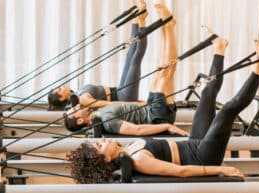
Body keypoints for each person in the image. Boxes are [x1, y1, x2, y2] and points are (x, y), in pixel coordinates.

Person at [67, 11, 259, 184]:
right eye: (100, 146)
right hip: (202, 156)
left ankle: (219, 47)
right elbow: (180, 172)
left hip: (194, 143)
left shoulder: (129, 148)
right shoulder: (137, 159)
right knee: (228, 110)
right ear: (105, 159)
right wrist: (221, 170)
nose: (103, 140)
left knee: (207, 94)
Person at [64, 3, 188, 137]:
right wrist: (167, 126)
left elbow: (126, 108)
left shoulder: (99, 112)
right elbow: (137, 130)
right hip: (157, 116)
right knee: (167, 71)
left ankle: (166, 25)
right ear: (81, 120)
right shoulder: (108, 122)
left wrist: (140, 103)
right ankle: (169, 27)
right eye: (74, 111)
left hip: (149, 107)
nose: (76, 106)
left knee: (160, 69)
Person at [48, 0, 148, 110]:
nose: (61, 87)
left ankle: (137, 14)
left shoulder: (77, 94)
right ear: (62, 98)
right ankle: (142, 19)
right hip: (124, 98)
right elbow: (109, 105)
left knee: (130, 55)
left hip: (119, 91)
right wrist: (135, 105)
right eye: (59, 90)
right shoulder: (83, 101)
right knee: (135, 59)